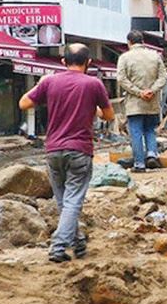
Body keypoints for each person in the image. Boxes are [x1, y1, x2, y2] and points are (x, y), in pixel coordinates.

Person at [18, 43, 115, 263]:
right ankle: (58, 247)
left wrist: (42, 85)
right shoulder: (94, 84)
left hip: (53, 150)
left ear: (63, 62)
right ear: (88, 63)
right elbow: (109, 116)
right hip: (80, 150)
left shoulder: (51, 81)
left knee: (64, 202)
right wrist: (96, 109)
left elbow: (23, 103)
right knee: (72, 203)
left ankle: (78, 243)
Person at [116, 30, 167, 173]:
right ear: (143, 41)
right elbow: (163, 77)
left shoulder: (124, 57)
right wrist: (152, 90)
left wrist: (139, 92)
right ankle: (152, 153)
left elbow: (121, 79)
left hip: (135, 103)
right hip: (152, 101)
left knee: (136, 132)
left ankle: (139, 164)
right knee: (150, 130)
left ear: (129, 42)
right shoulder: (155, 56)